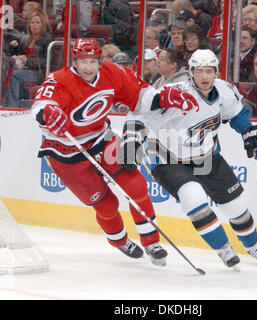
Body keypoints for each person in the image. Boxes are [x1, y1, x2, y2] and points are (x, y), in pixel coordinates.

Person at [30, 38, 198, 266]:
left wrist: (164, 97)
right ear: (74, 62)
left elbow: (140, 97)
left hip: (102, 137)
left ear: (100, 60)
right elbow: (41, 104)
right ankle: (119, 240)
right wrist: (46, 113)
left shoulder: (113, 73)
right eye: (82, 61)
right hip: (65, 151)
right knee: (106, 205)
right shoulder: (59, 81)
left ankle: (151, 242)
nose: (88, 67)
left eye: (92, 61)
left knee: (136, 185)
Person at [118, 49, 257, 269]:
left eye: (209, 71)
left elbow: (236, 113)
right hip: (167, 159)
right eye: (200, 71)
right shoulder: (173, 93)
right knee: (194, 199)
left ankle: (253, 246)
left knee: (236, 206)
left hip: (206, 156)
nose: (205, 77)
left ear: (216, 72)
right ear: (191, 72)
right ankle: (224, 249)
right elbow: (139, 113)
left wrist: (249, 131)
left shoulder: (225, 90)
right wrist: (131, 140)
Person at [4, 10, 53, 108]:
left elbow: (46, 61)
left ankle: (12, 106)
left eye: (37, 23)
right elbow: (17, 54)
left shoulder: (47, 39)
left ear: (43, 24)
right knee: (6, 69)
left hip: (38, 73)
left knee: (15, 74)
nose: (34, 25)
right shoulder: (27, 38)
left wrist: (27, 61)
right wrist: (12, 47)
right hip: (24, 69)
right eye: (32, 22)